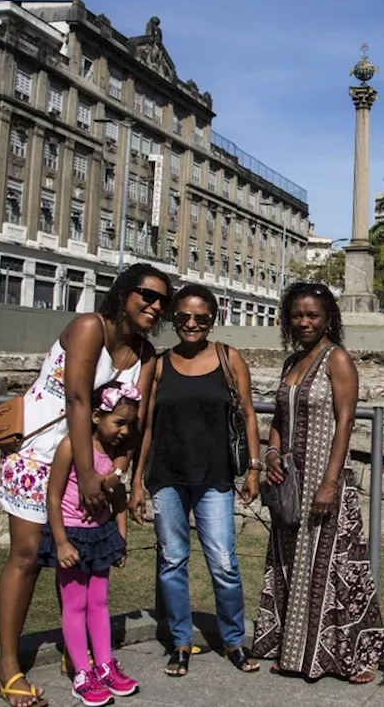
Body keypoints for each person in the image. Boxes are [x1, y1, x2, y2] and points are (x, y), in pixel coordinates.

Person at [0, 264, 168, 707]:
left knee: (78, 558)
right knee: (29, 555)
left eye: (162, 299)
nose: (155, 305)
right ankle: (7, 665)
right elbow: (77, 398)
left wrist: (120, 474)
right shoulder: (90, 326)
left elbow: (139, 421)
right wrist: (86, 472)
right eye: (146, 294)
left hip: (95, 463)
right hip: (41, 451)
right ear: (124, 294)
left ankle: (78, 656)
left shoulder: (147, 356)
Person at [252, 282, 384, 683]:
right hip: (290, 479)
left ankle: (351, 657)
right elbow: (279, 419)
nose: (304, 322)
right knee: (291, 563)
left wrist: (329, 483)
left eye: (312, 315)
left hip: (324, 478)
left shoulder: (337, 359)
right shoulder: (292, 361)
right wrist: (271, 456)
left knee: (335, 567)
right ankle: (293, 651)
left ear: (329, 318)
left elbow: (345, 422)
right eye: (297, 315)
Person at [128, 284, 263, 677]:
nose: (191, 324)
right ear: (173, 318)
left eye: (201, 318)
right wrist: (136, 480)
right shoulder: (159, 362)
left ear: (212, 320)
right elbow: (145, 425)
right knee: (172, 561)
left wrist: (253, 467)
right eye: (184, 317)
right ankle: (181, 642)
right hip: (166, 476)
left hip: (215, 476)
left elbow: (250, 414)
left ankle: (234, 640)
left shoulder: (228, 357)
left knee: (223, 561)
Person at [41, 380, 142, 707]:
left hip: (100, 536)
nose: (125, 431)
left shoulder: (114, 457)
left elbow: (119, 499)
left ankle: (104, 665)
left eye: (130, 424)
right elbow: (53, 497)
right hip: (71, 535)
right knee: (75, 604)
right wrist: (60, 543)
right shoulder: (71, 446)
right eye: (119, 423)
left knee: (99, 602)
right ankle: (81, 672)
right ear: (96, 416)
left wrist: (120, 538)